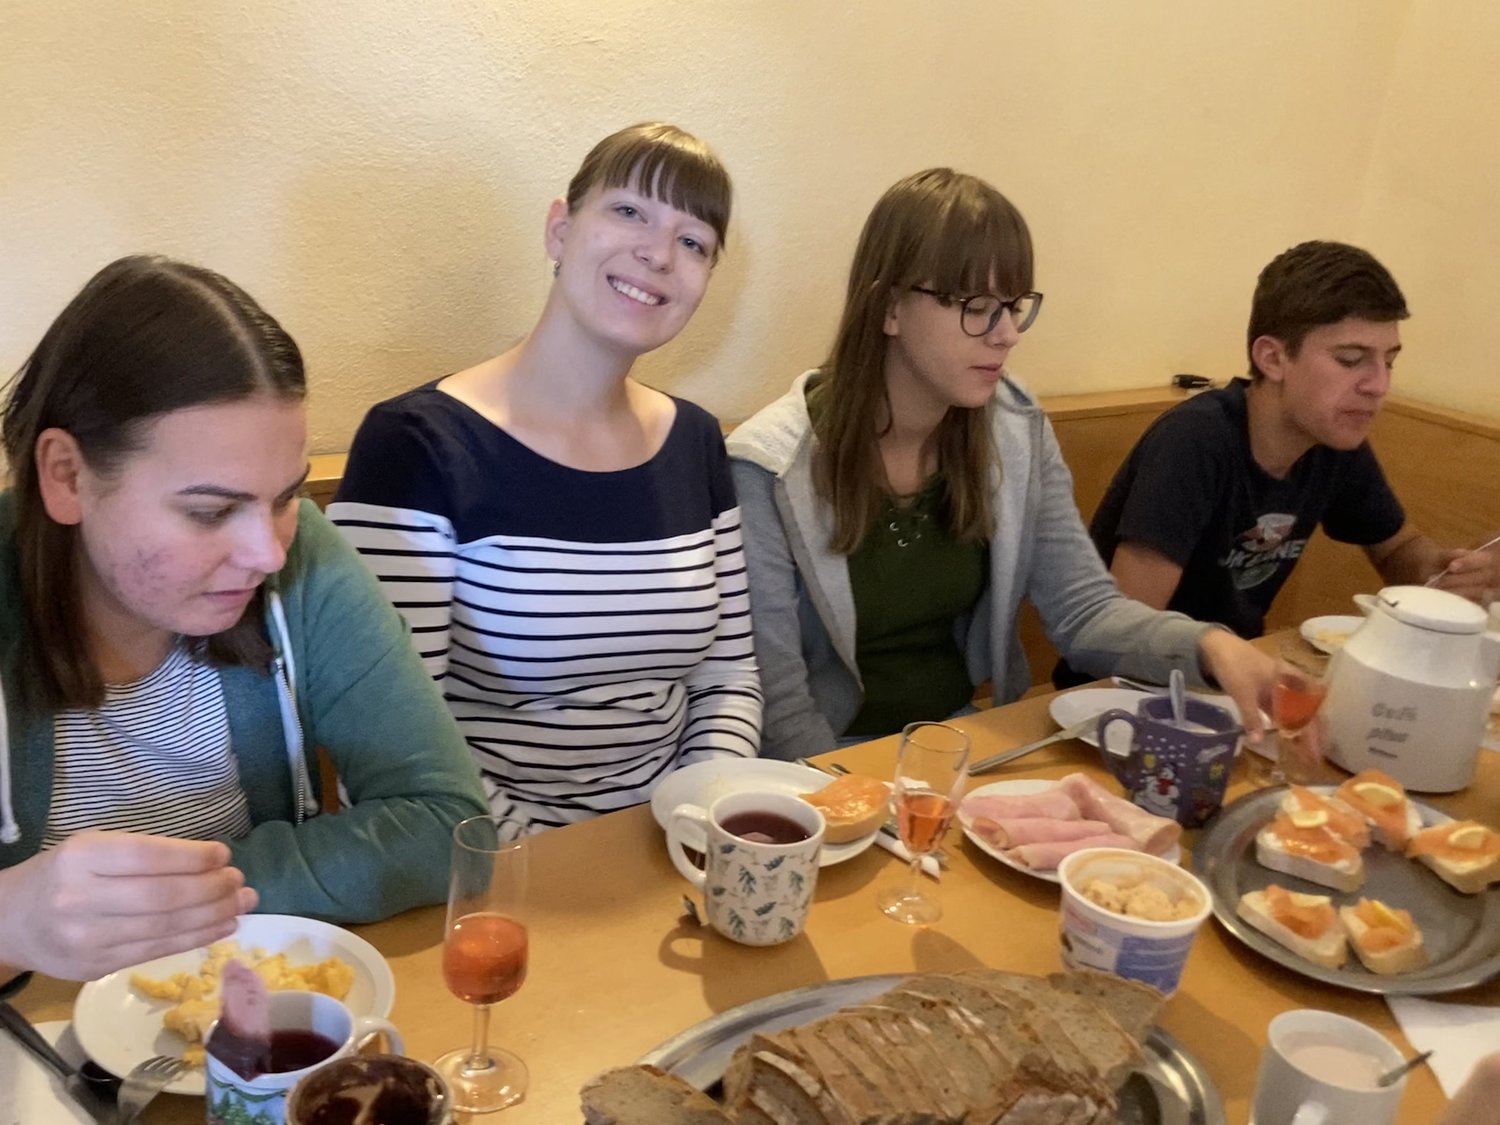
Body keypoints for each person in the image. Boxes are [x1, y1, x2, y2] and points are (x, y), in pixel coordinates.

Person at [0, 256, 487, 988]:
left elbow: (445, 823)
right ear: (67, 475)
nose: (267, 553)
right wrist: (10, 919)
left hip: (233, 1011)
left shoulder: (303, 556)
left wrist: (162, 908)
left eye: (285, 497)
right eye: (210, 511)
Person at [727, 168, 1274, 762]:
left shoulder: (1014, 429)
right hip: (824, 763)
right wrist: (858, 799)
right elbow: (780, 705)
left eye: (1013, 307)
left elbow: (1084, 611)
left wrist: (1211, 646)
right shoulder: (769, 467)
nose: (1007, 334)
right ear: (889, 307)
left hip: (958, 742)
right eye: (977, 307)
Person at [329, 123, 762, 833]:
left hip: (675, 842)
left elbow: (728, 675)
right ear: (560, 230)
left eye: (693, 242)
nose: (658, 254)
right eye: (630, 211)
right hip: (488, 859)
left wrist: (694, 820)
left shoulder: (695, 439)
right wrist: (551, 866)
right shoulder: (416, 443)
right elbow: (396, 740)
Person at [1084, 240, 1499, 644]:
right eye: (1351, 360)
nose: (1379, 385)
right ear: (1272, 358)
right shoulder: (1195, 440)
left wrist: (1447, 571)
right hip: (1135, 681)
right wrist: (1225, 660)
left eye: (1389, 361)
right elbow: (1127, 633)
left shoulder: (1332, 439)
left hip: (1237, 673)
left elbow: (1398, 549)